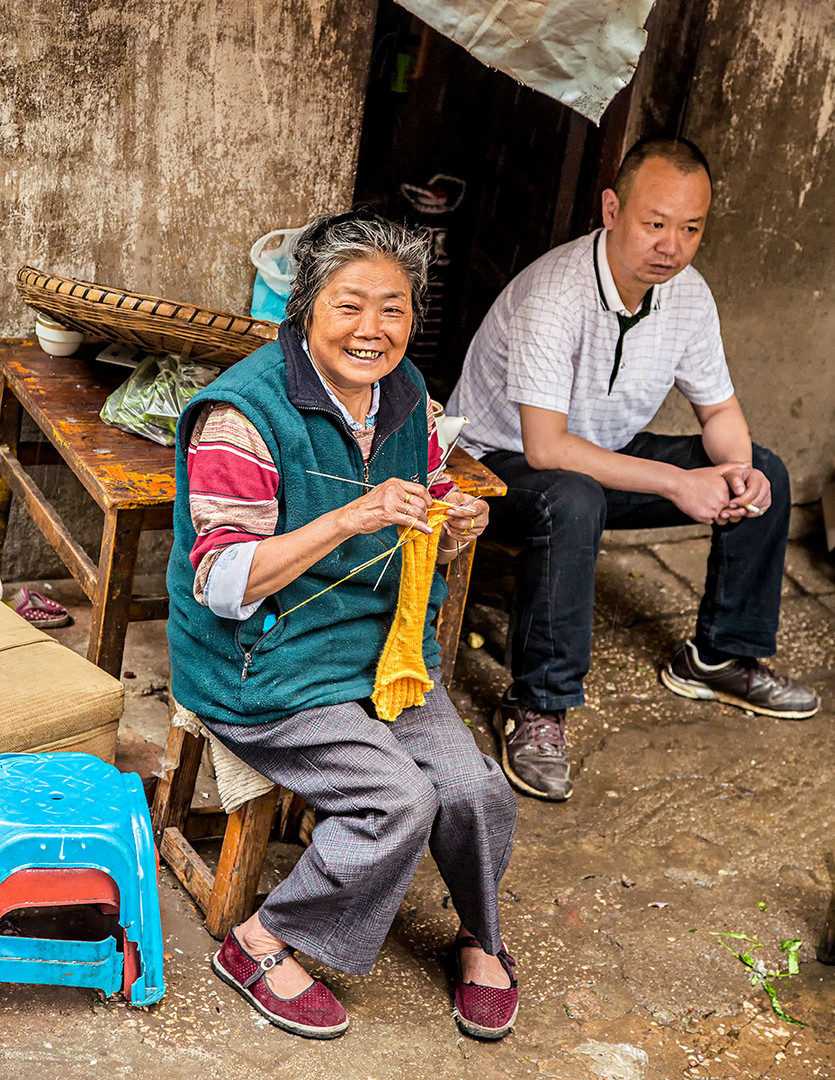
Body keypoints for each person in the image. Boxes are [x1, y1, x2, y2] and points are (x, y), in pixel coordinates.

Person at [165, 211, 519, 1041]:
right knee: (395, 800)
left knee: (474, 790)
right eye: (349, 305)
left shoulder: (406, 397)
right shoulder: (242, 415)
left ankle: (481, 934)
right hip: (263, 663)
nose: (373, 331)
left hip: (378, 654)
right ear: (306, 310)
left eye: (392, 308)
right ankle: (260, 941)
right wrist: (346, 519)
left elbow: (425, 482)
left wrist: (450, 513)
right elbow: (219, 583)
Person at [447, 136, 820, 803]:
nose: (670, 246)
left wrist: (735, 471)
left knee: (762, 468)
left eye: (690, 228)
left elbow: (720, 410)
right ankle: (538, 708)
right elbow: (545, 449)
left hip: (596, 460)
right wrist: (679, 482)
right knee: (572, 499)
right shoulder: (554, 296)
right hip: (492, 467)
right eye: (654, 223)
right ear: (612, 209)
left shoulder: (687, 295)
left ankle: (718, 656)